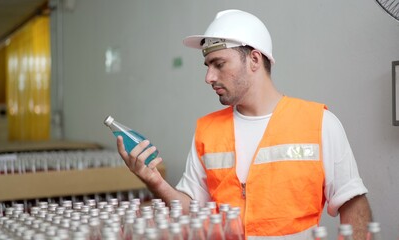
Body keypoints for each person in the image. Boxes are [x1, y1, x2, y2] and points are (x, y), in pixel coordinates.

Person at [116, 9, 372, 240]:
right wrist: (155, 182)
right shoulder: (208, 131)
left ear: (254, 59)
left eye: (219, 64)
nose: (209, 77)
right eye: (207, 66)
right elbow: (190, 209)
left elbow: (353, 204)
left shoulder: (320, 123)